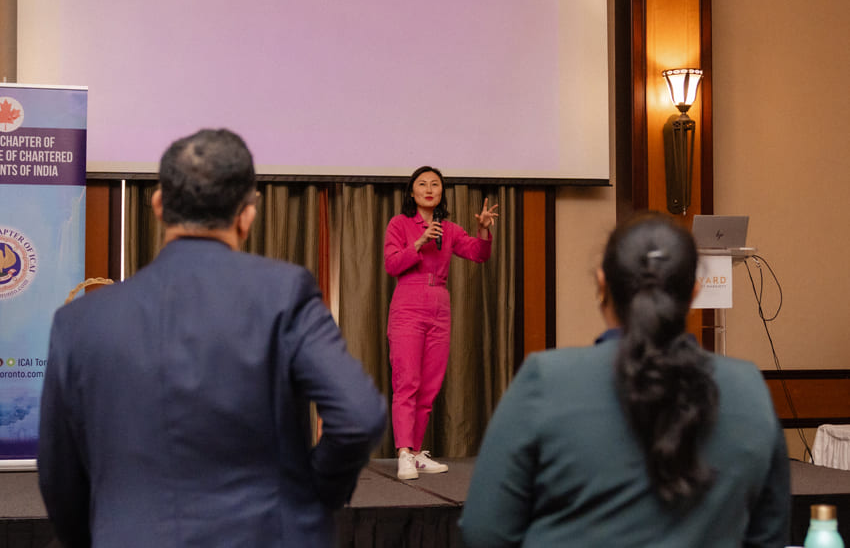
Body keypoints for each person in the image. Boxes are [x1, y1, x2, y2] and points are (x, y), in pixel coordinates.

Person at [37, 129, 387, 548]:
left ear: (159, 205)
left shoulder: (79, 321)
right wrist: (312, 497)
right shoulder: (284, 294)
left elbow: (58, 472)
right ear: (248, 214)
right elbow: (358, 416)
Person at [460, 213, 790, 547]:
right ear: (694, 291)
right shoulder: (748, 387)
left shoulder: (545, 380)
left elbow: (485, 531)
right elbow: (770, 535)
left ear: (602, 284)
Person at [384, 165, 498, 480]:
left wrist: (483, 230)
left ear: (442, 192)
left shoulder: (449, 229)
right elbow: (392, 265)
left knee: (429, 386)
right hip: (408, 304)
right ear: (412, 192)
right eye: (422, 184)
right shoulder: (400, 224)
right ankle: (403, 452)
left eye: (435, 184)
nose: (429, 189)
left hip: (439, 306)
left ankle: (416, 452)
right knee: (407, 383)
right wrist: (419, 242)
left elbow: (478, 254)